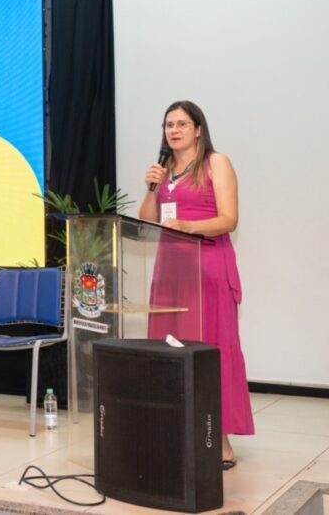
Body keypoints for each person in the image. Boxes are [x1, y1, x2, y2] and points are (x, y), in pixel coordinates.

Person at [140, 100, 253, 468]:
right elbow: (147, 220)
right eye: (168, 125)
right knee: (171, 348)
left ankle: (218, 440)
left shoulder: (216, 163)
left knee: (209, 349)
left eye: (182, 124)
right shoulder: (164, 171)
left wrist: (189, 226)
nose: (173, 131)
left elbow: (229, 219)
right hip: (170, 269)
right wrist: (151, 188)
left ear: (198, 129)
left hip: (208, 267)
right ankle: (174, 433)